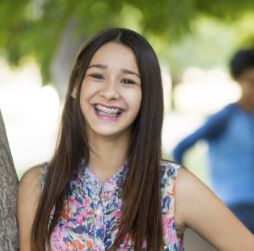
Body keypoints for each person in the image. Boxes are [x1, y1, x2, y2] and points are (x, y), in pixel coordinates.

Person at [18, 28, 254, 251]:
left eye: (128, 81)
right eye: (98, 76)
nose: (110, 92)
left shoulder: (173, 188)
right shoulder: (38, 185)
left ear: (147, 95)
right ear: (76, 87)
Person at [172, 48, 254, 234]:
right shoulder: (224, 118)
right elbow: (180, 148)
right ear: (237, 80)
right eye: (250, 81)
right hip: (233, 206)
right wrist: (189, 192)